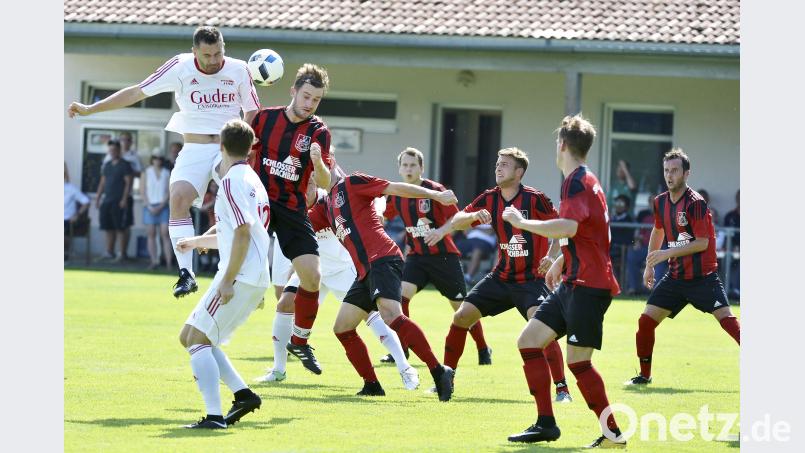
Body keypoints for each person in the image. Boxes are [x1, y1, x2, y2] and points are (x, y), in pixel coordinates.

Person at [68, 26, 260, 298]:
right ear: (195, 52)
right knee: (178, 198)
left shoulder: (239, 69)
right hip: (193, 147)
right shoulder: (179, 66)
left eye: (219, 53)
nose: (215, 60)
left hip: (226, 147)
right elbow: (137, 92)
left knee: (238, 199)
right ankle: (186, 274)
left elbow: (252, 109)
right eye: (207, 55)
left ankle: (248, 271)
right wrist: (91, 108)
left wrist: (241, 141)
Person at [507, 115, 625, 448]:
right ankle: (546, 423)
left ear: (561, 144)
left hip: (589, 286)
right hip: (574, 281)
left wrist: (521, 222)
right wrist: (561, 259)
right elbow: (589, 232)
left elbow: (569, 227)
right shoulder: (581, 179)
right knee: (529, 341)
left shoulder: (578, 181)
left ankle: (613, 434)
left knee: (578, 362)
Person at [427, 147, 571, 402]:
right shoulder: (489, 198)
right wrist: (472, 216)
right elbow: (459, 219)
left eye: (505, 164)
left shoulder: (535, 199)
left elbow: (559, 228)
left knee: (542, 326)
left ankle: (562, 389)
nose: (498, 168)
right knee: (461, 316)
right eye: (497, 163)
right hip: (501, 277)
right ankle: (446, 377)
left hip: (531, 280)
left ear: (519, 172)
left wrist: (551, 255)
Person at [256, 173, 419, 392]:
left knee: (374, 318)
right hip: (315, 270)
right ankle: (278, 370)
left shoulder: (330, 201)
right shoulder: (293, 210)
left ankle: (405, 367)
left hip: (344, 269)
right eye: (301, 186)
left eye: (309, 184)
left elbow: (367, 200)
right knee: (285, 303)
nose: (306, 189)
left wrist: (378, 212)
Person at [306, 166, 457, 400]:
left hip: (383, 258)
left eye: (316, 169)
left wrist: (436, 195)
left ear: (330, 163)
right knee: (343, 328)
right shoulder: (325, 206)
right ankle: (372, 385)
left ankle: (439, 371)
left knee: (391, 316)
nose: (313, 175)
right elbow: (301, 223)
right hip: (365, 270)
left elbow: (395, 188)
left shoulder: (353, 182)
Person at [174, 119, 268, 429]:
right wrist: (199, 241)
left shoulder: (231, 182)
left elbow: (242, 233)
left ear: (221, 147)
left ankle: (214, 417)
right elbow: (241, 233)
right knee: (189, 336)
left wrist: (228, 281)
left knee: (198, 340)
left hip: (238, 276)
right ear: (251, 147)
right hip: (245, 274)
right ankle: (243, 395)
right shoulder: (251, 178)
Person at [626, 149, 740, 387]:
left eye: (675, 170)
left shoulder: (696, 203)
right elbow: (657, 231)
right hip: (675, 278)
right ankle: (644, 375)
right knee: (645, 322)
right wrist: (649, 265)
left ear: (686, 174)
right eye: (666, 170)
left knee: (728, 321)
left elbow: (702, 243)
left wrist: (667, 252)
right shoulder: (660, 202)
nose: (670, 175)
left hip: (703, 278)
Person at [249, 63, 333, 373]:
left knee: (312, 275)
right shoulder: (263, 119)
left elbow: (324, 182)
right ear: (293, 91)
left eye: (316, 100)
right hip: (258, 201)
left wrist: (316, 163)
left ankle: (300, 340)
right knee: (237, 272)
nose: (310, 104)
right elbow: (240, 150)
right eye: (306, 96)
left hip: (292, 208)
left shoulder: (318, 132)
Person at [379, 147, 491, 366]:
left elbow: (458, 218)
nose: (408, 169)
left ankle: (483, 347)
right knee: (400, 299)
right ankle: (402, 350)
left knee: (461, 308)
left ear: (421, 168)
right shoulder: (397, 194)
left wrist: (440, 231)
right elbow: (384, 215)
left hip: (444, 258)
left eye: (413, 165)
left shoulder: (435, 190)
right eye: (405, 165)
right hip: (417, 257)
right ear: (399, 168)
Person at [95, 140, 133, 262]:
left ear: (119, 150)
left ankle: (122, 254)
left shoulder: (125, 164)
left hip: (119, 201)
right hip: (107, 200)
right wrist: (98, 198)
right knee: (108, 227)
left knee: (120, 228)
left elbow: (128, 183)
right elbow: (102, 182)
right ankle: (109, 252)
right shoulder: (107, 165)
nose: (112, 152)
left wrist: (124, 199)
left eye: (114, 150)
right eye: (110, 150)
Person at [141, 153, 173, 270]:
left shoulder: (166, 172)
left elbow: (169, 191)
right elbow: (142, 191)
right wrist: (149, 206)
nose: (157, 160)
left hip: (163, 205)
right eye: (155, 158)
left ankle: (168, 262)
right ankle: (153, 261)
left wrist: (161, 205)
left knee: (165, 234)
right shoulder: (146, 172)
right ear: (152, 159)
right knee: (151, 234)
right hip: (149, 206)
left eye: (159, 158)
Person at [64, 163, 90, 261]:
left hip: (67, 219)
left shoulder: (71, 188)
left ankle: (64, 256)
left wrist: (77, 214)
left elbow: (86, 202)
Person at [609, 194, 634, 284]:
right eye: (617, 203)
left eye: (621, 204)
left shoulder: (628, 220)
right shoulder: (611, 219)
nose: (618, 206)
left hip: (620, 250)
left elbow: (629, 238)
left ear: (626, 207)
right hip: (609, 248)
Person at [722, 189, 740, 298]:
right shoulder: (730, 215)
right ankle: (726, 290)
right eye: (739, 197)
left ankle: (738, 290)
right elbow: (724, 235)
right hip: (731, 248)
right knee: (725, 259)